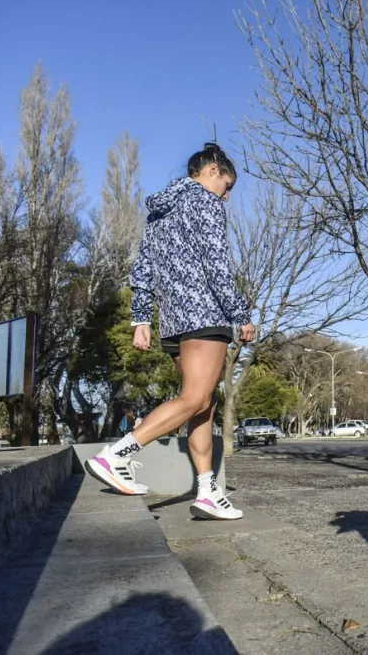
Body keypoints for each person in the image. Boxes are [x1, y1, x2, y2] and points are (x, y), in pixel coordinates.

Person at [84, 143, 255, 520]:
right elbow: (217, 264)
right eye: (227, 187)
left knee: (203, 403)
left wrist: (141, 319)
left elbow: (142, 270)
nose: (226, 198)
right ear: (212, 171)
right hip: (206, 313)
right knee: (196, 399)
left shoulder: (160, 212)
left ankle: (208, 491)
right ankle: (117, 455)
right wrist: (241, 314)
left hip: (175, 322)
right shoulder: (204, 203)